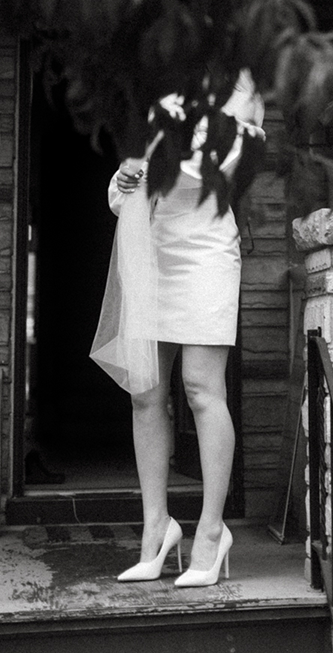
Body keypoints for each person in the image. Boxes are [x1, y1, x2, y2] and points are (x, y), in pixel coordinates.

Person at [93, 70, 264, 587]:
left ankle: (211, 534)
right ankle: (155, 529)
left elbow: (227, 167)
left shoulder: (244, 90)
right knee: (145, 392)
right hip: (152, 243)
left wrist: (151, 165)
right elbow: (128, 183)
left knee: (200, 387)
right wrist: (124, 178)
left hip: (206, 245)